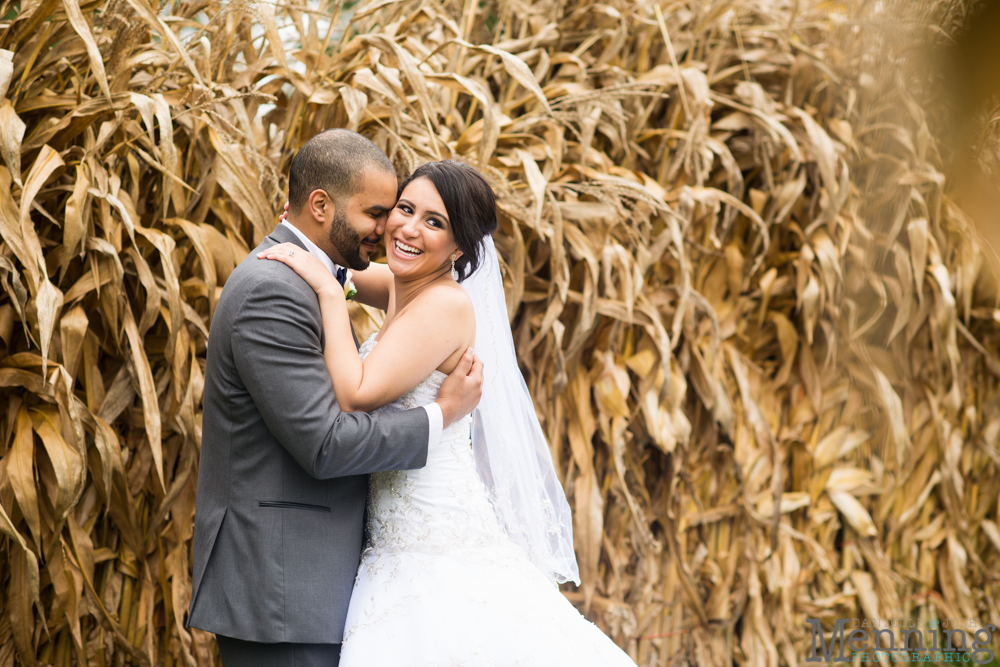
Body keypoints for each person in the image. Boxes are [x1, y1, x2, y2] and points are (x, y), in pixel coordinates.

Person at [259, 159, 637, 666]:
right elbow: (342, 268)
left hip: (433, 534)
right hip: (392, 537)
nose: (409, 229)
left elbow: (356, 392)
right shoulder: (401, 284)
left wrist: (329, 292)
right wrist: (311, 243)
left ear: (459, 246)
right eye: (405, 209)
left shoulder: (445, 305)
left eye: (434, 222)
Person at [187, 130, 484, 667]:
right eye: (383, 212)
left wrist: (331, 282)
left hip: (343, 575)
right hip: (283, 586)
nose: (392, 226)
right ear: (321, 205)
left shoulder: (346, 280)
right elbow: (326, 442)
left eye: (428, 219)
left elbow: (352, 279)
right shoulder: (274, 289)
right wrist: (441, 414)